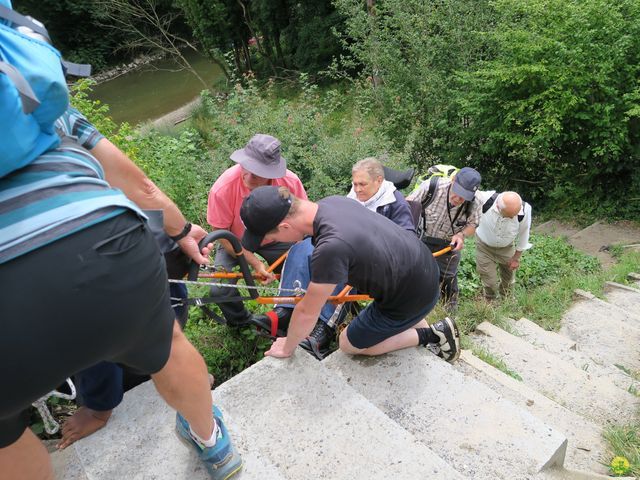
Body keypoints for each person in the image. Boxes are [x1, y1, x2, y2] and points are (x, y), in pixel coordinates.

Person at [0, 106, 242, 480]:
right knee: (170, 347)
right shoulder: (30, 95)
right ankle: (215, 446)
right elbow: (141, 186)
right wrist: (181, 231)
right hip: (109, 241)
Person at [239, 186, 461, 362]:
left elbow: (307, 311)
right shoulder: (333, 202)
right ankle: (418, 323)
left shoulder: (331, 247)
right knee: (395, 315)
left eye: (273, 238)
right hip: (423, 268)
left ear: (285, 227)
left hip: (410, 296)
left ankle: (432, 336)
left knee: (348, 344)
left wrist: (287, 347)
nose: (276, 242)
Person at [254, 157, 416, 359]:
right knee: (300, 248)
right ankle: (285, 310)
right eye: (354, 184)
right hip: (341, 241)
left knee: (338, 261)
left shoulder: (394, 202)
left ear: (379, 181)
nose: (357, 189)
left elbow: (407, 238)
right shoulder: (351, 198)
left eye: (362, 184)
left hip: (371, 258)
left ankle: (323, 325)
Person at [206, 134, 307, 326]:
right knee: (219, 289)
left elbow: (303, 218)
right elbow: (221, 234)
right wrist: (254, 262)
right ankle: (244, 324)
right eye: (246, 166)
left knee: (302, 273)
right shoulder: (223, 188)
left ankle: (298, 317)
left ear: (272, 173)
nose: (248, 176)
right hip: (235, 240)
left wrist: (300, 251)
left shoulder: (289, 183)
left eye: (257, 171)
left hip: (278, 238)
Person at [407, 167, 482, 311]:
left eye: (464, 196)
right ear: (453, 181)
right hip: (421, 238)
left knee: (448, 277)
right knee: (414, 274)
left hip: (449, 245)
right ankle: (414, 309)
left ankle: (449, 311)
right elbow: (407, 207)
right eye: (458, 193)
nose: (459, 199)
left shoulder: (475, 201)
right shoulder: (432, 187)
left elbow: (473, 224)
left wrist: (462, 235)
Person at [474, 190, 532, 300]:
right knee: (489, 282)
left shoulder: (525, 209)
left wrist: (516, 258)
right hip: (484, 247)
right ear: (498, 207)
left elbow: (524, 234)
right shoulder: (484, 199)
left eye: (514, 215)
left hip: (507, 247)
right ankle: (490, 300)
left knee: (509, 278)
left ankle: (507, 300)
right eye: (509, 216)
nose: (512, 218)